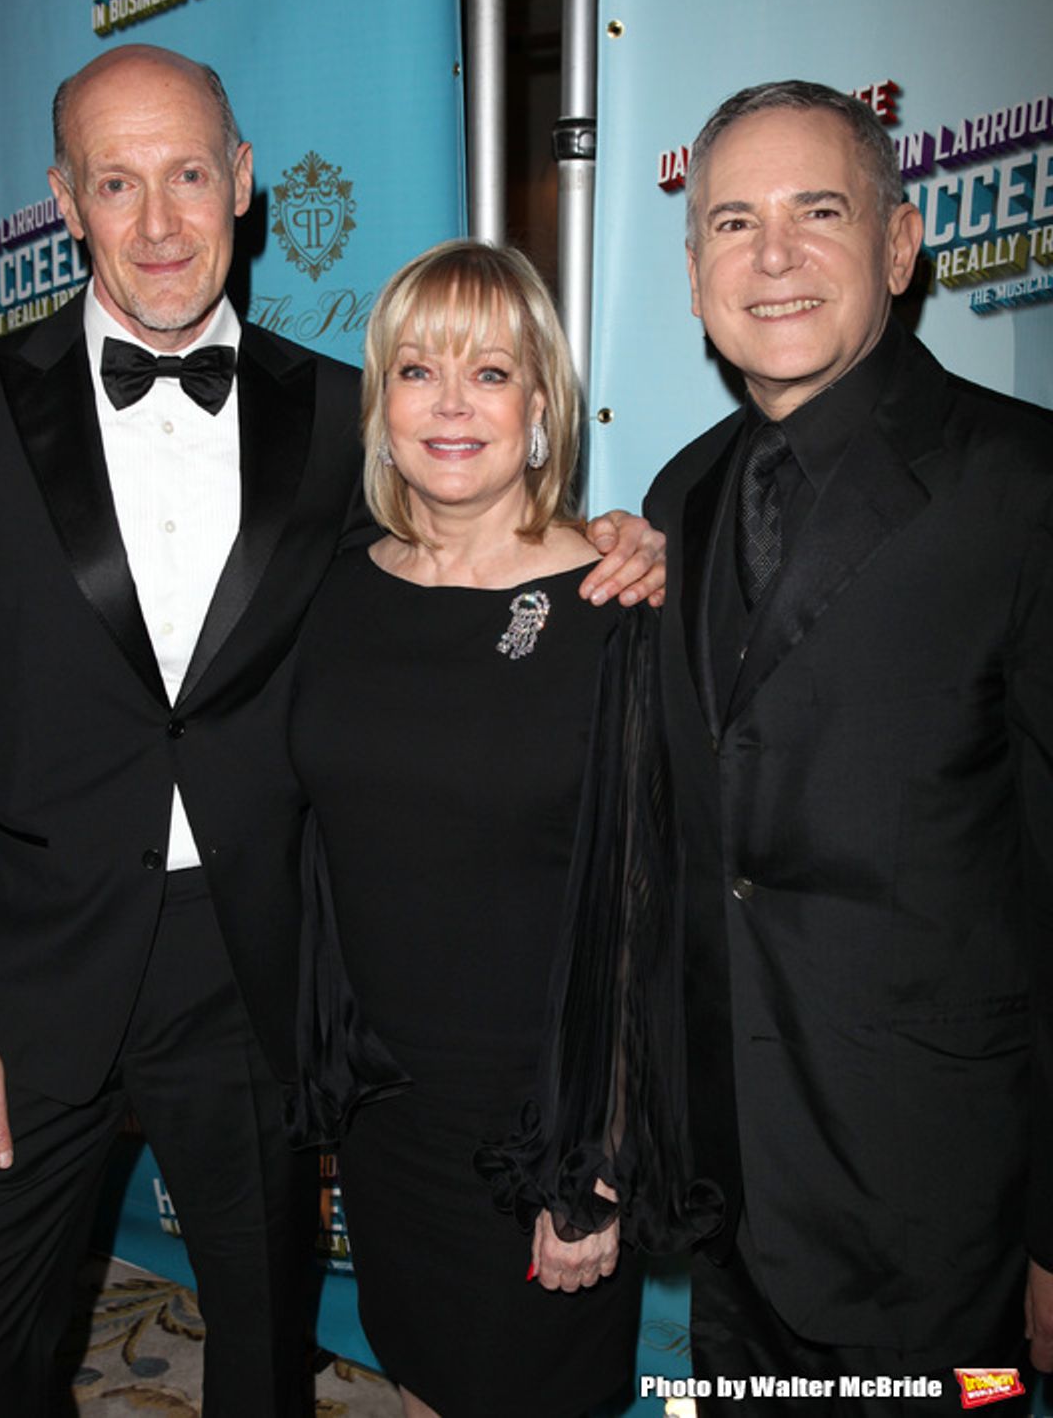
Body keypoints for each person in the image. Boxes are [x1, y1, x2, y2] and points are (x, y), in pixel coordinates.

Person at [0, 46, 665, 1418]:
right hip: (31, 976)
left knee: (258, 1346)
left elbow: (463, 569)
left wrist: (613, 537)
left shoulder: (349, 416)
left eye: (188, 174)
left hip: (256, 977)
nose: (161, 222)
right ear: (65, 202)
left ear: (243, 184)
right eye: (118, 183)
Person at [644, 79, 1053, 1415]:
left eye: (818, 213)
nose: (770, 257)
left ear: (898, 243)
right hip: (734, 1199)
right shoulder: (681, 494)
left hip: (945, 1217)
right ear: (694, 260)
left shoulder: (1022, 488)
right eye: (732, 221)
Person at [287, 239, 697, 1418]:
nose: (452, 403)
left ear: (541, 408)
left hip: (545, 1118)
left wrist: (599, 1161)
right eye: (418, 370)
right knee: (421, 1375)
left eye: (491, 372)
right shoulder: (337, 585)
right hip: (387, 1110)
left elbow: (646, 907)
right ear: (382, 406)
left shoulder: (617, 605)